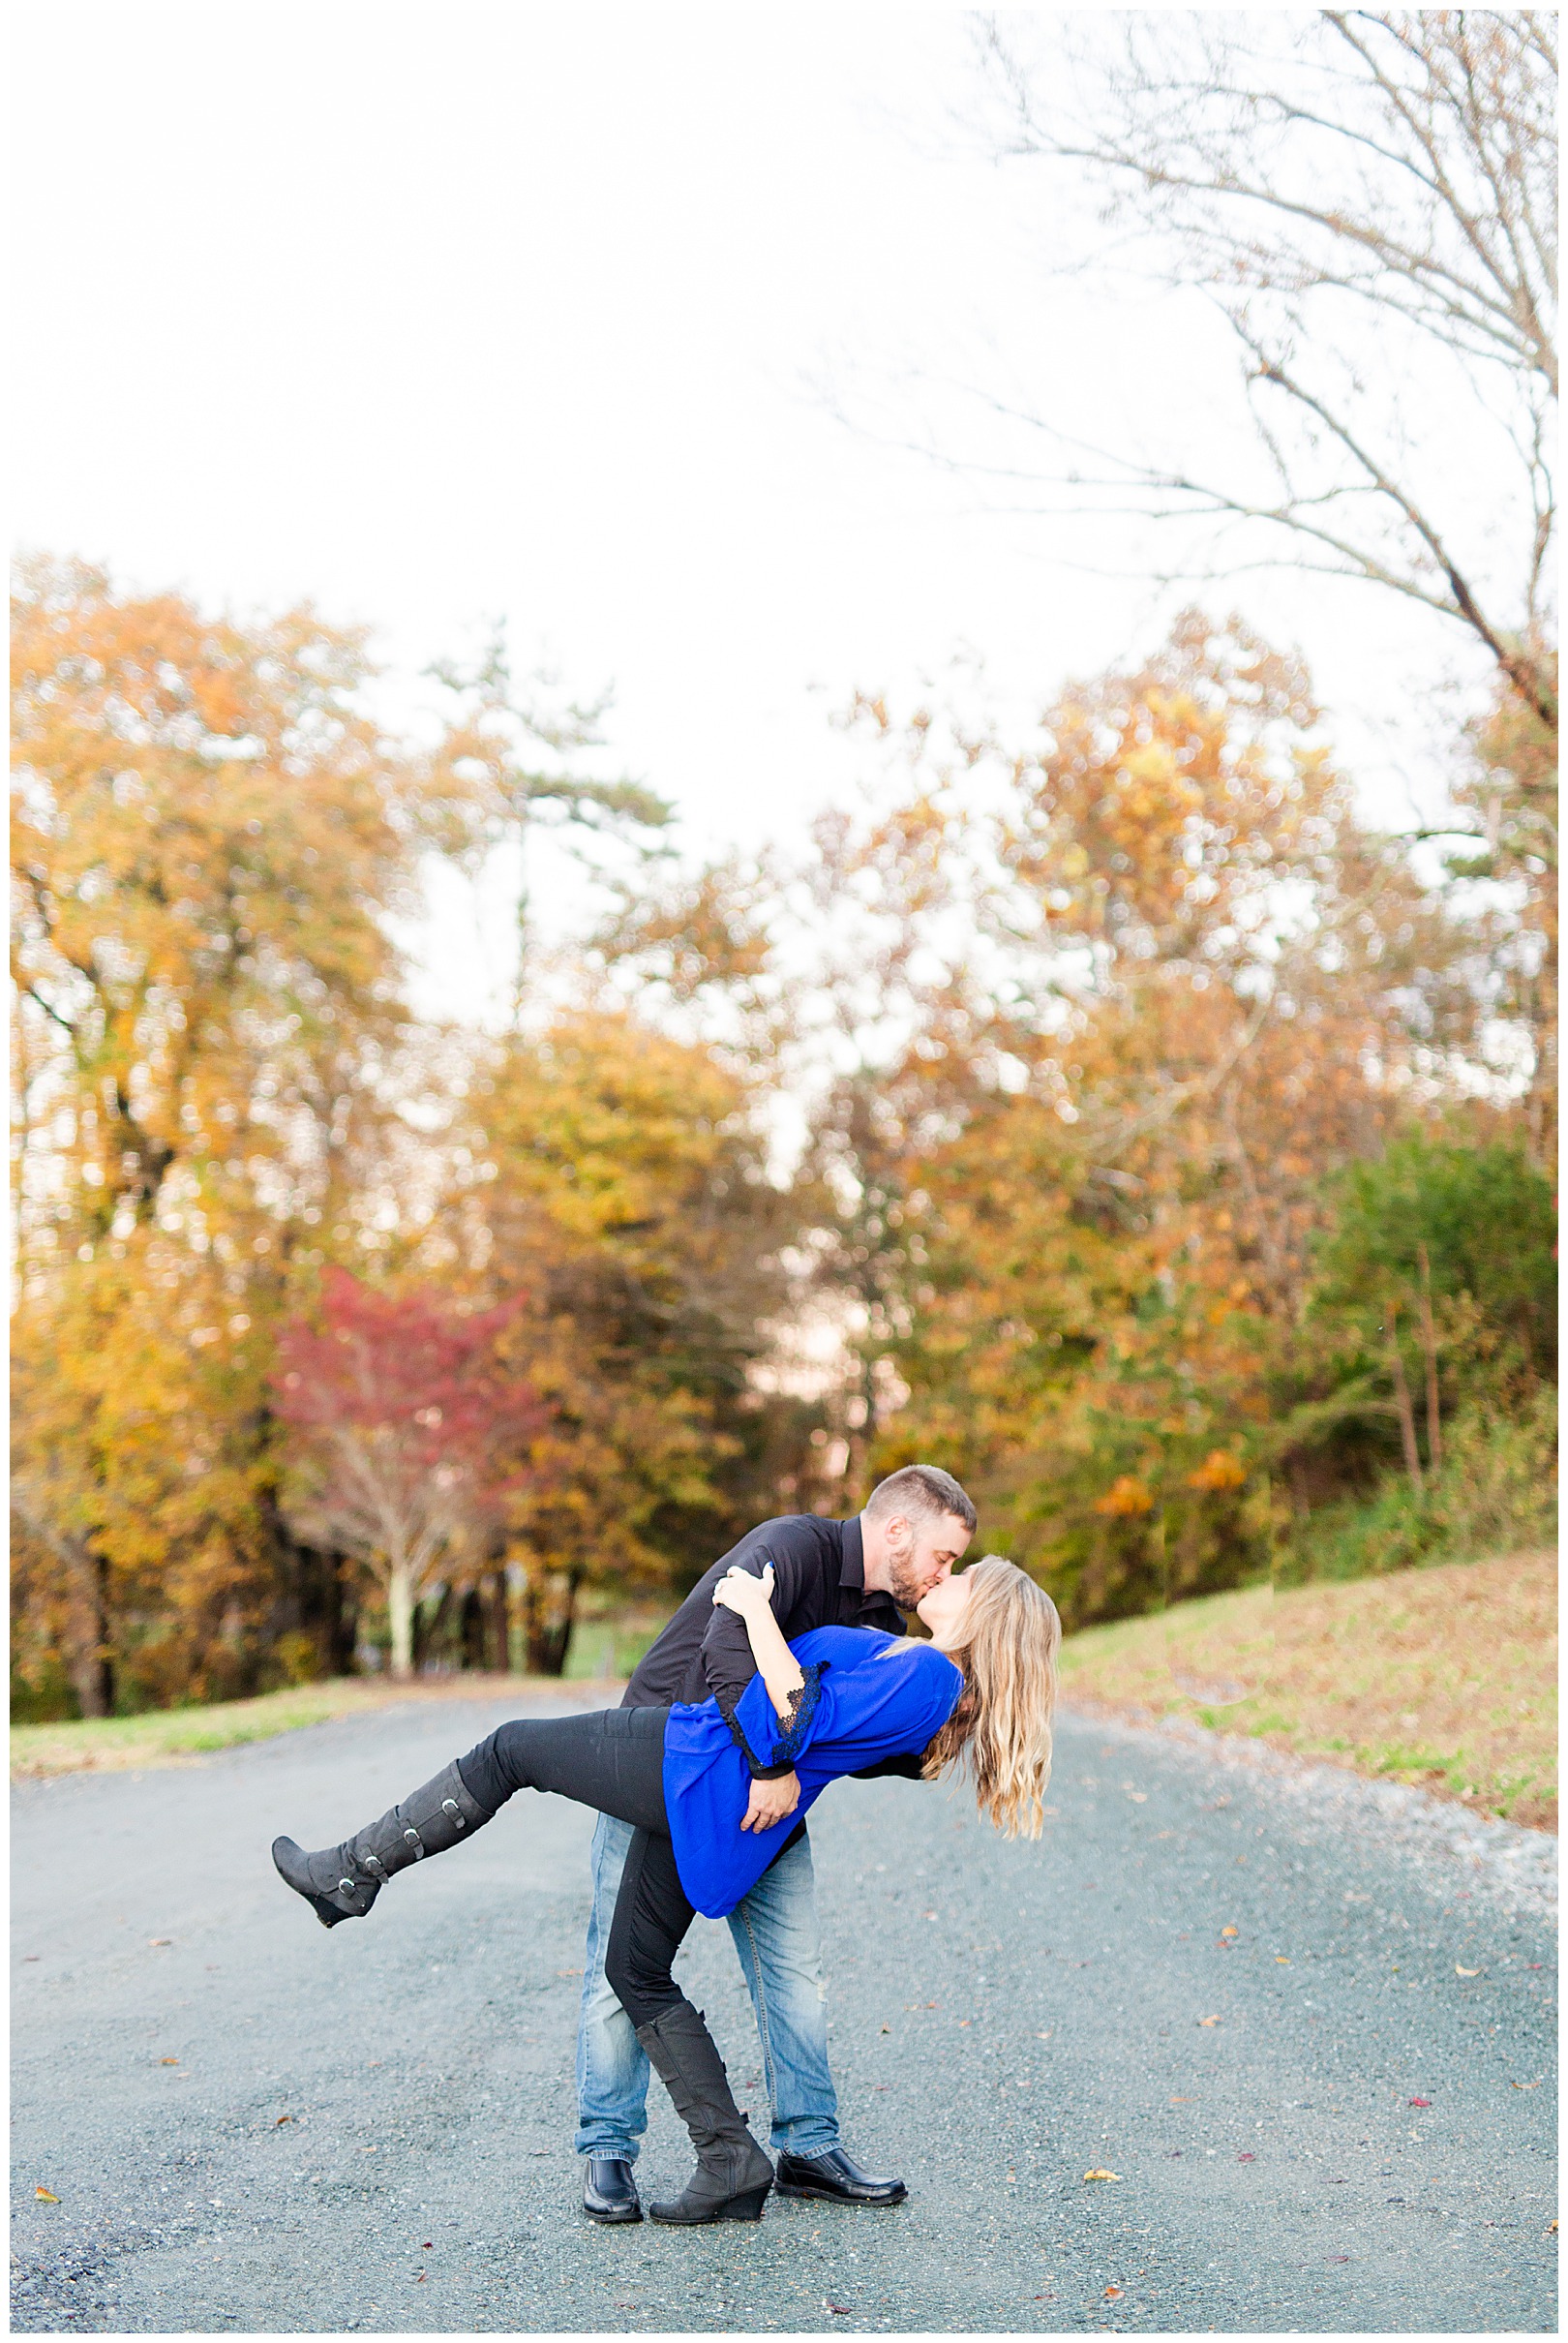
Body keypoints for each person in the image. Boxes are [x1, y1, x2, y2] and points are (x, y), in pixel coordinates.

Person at [272, 1549, 1061, 2228]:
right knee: (634, 1970)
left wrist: (754, 1609)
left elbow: (789, 1722)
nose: (951, 1577)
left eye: (968, 1576)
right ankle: (731, 2159)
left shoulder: (926, 1675)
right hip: (708, 1792)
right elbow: (819, 1726)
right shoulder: (920, 1669)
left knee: (510, 1750)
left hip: (694, 1761)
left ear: (986, 1614)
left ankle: (351, 1872)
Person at [573, 1463, 977, 2223]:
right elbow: (728, 1649)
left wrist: (933, 1740)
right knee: (617, 1965)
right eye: (942, 1556)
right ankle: (608, 2148)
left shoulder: (885, 1619)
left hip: (767, 1799)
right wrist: (772, 1764)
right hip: (665, 1764)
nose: (940, 1573)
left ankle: (808, 2147)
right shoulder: (790, 1548)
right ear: (898, 1530)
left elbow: (846, 1731)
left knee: (793, 1969)